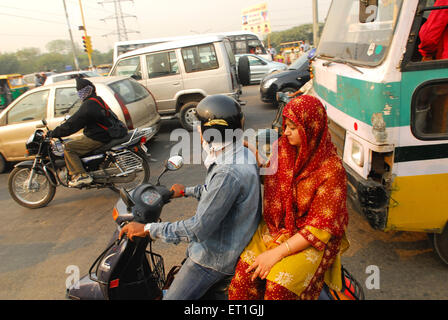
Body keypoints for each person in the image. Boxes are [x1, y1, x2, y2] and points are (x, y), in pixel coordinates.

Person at [119, 95, 262, 300]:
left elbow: (198, 228)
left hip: (212, 258)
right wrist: (187, 190)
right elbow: (220, 197)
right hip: (231, 244)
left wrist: (148, 229)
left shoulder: (226, 172)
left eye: (200, 127)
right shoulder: (241, 154)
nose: (198, 132)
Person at [228, 95, 349, 300]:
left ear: (311, 127)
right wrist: (253, 153)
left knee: (278, 287)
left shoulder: (331, 169)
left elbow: (320, 228)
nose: (286, 132)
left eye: (293, 127)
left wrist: (276, 253)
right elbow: (273, 177)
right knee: (243, 278)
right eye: (286, 125)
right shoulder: (283, 149)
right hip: (277, 228)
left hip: (309, 238)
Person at [49, 77, 127, 187]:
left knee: (69, 147)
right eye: (79, 92)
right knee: (76, 142)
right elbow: (78, 119)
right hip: (103, 133)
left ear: (87, 90)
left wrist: (55, 132)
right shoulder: (96, 99)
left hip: (98, 137)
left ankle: (81, 175)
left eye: (81, 91)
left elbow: (73, 124)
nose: (80, 94)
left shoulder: (88, 105)